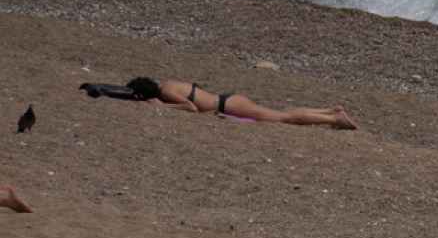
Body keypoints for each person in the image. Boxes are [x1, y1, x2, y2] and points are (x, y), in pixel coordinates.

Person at [124, 77, 357, 129]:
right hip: (228, 100)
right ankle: (330, 111)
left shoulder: (166, 93)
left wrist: (161, 106)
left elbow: (191, 108)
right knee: (281, 113)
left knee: (283, 118)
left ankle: (333, 118)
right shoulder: (168, 83)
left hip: (229, 106)